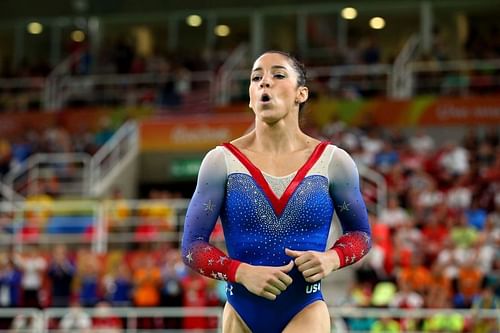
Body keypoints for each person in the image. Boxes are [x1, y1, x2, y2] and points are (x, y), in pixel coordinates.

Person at [181, 50, 371, 333]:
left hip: (305, 311)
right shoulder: (221, 161)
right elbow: (192, 246)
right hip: (240, 315)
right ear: (249, 97)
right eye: (256, 78)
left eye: (278, 75)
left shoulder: (333, 162)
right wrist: (241, 272)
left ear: (301, 93)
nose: (264, 83)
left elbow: (361, 234)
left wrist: (332, 258)